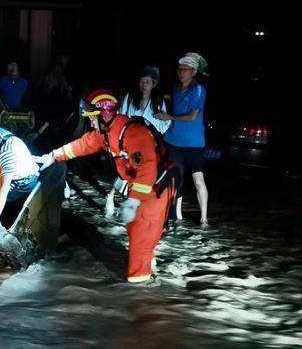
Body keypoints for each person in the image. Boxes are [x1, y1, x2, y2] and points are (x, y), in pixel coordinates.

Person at [34, 89, 176, 285]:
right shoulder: (108, 132)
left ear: (105, 114)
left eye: (92, 118)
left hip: (156, 189)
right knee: (137, 232)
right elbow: (83, 144)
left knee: (141, 236)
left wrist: (133, 201)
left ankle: (140, 287)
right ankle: (148, 270)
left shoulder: (135, 134)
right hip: (143, 188)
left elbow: (147, 171)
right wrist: (52, 156)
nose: (90, 122)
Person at [155, 52, 209, 225]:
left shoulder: (198, 89)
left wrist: (169, 117)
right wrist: (167, 100)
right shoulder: (175, 88)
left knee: (198, 180)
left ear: (193, 72)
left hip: (194, 143)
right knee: (174, 176)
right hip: (173, 141)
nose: (181, 72)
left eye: (185, 70)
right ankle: (173, 213)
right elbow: (174, 103)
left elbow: (192, 116)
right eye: (180, 69)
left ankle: (204, 219)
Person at [119, 66, 171, 135]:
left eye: (147, 82)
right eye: (142, 82)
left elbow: (164, 126)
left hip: (151, 141)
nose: (144, 85)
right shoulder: (129, 97)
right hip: (130, 138)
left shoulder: (159, 102)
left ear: (153, 84)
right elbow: (121, 117)